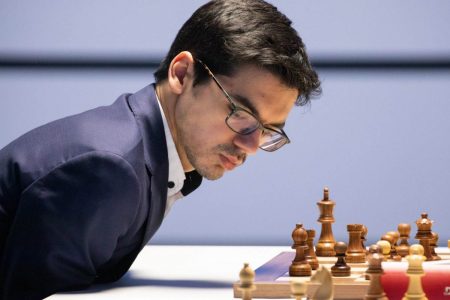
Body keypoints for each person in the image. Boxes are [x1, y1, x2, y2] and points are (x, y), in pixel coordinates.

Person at [0, 0, 321, 298]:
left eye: (268, 131)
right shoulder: (108, 168)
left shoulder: (149, 151)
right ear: (182, 74)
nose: (250, 147)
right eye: (241, 115)